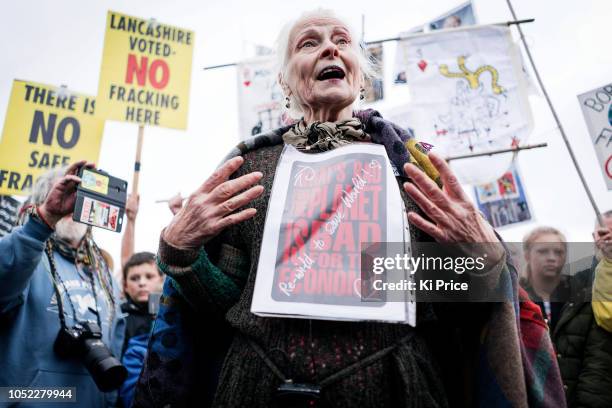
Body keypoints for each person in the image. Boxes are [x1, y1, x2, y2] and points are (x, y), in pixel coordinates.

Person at [134, 9, 563, 407]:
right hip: (257, 388)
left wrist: (481, 257)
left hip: (398, 387)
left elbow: (452, 306)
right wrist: (181, 254)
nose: (329, 48)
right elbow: (224, 303)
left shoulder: (415, 168)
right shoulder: (248, 169)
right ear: (285, 83)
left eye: (342, 40)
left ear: (360, 77)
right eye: (308, 43)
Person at [0, 162, 125, 407]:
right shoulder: (23, 256)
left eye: (80, 197)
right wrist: (42, 222)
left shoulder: (103, 274)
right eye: (64, 193)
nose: (72, 203)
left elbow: (116, 344)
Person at [520, 225, 612, 407]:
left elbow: (598, 357)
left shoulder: (583, 295)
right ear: (527, 255)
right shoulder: (514, 300)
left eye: (559, 252)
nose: (552, 258)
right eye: (543, 251)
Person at [118, 251, 164, 408]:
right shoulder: (118, 316)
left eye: (149, 276)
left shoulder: (169, 315)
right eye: (134, 278)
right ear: (125, 285)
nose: (142, 283)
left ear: (162, 279)